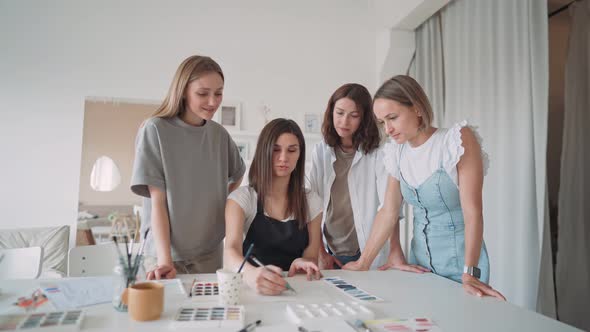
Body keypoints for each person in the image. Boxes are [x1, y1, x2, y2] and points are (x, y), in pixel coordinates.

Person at [343, 75, 505, 300]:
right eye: (382, 122)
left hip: (462, 267)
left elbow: (473, 213)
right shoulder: (396, 153)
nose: (387, 129)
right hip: (420, 266)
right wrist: (363, 263)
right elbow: (388, 212)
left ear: (417, 108)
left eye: (392, 118)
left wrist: (470, 272)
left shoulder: (455, 141)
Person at [131, 55, 245, 279]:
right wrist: (165, 260)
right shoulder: (155, 130)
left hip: (209, 253)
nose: (213, 102)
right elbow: (158, 202)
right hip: (166, 255)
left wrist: (219, 208)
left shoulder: (219, 135)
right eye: (203, 93)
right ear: (183, 90)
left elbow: (238, 174)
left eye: (219, 93)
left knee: (210, 312)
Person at [310, 83, 426, 273]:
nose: (344, 121)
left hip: (368, 250)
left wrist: (395, 250)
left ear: (365, 119)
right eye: (339, 113)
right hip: (329, 249)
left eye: (354, 116)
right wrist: (320, 253)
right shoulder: (321, 151)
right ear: (331, 112)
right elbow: (313, 206)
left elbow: (389, 207)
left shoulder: (380, 152)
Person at [224, 118, 323, 295]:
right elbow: (230, 251)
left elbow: (311, 253)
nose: (284, 158)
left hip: (296, 289)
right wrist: (250, 273)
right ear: (264, 152)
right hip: (252, 289)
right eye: (276, 150)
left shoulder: (312, 201)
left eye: (292, 150)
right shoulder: (241, 199)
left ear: (300, 155)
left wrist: (303, 262)